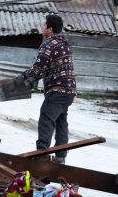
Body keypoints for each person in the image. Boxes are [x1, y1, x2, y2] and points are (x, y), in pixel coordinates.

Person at [17, 14, 77, 163]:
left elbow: (38, 68)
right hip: (69, 91)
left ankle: (41, 155)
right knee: (61, 120)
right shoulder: (65, 44)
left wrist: (23, 77)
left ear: (50, 29)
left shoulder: (49, 44)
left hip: (57, 90)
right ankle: (60, 157)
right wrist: (31, 80)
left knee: (46, 118)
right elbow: (46, 69)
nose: (42, 27)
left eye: (44, 25)